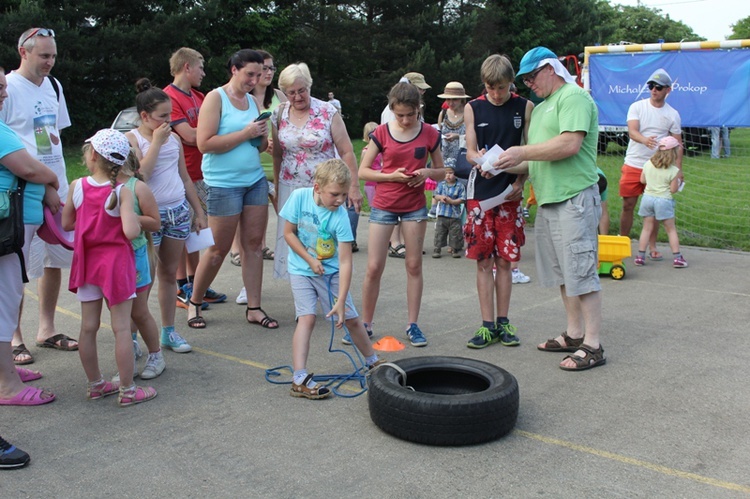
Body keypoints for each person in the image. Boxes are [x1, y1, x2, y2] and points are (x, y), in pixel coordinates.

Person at [496, 46, 605, 371]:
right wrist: (505, 168)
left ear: (550, 68)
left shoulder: (573, 97)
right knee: (562, 273)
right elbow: (536, 156)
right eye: (525, 79)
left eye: (532, 76)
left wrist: (521, 152)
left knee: (582, 272)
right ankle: (574, 334)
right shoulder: (543, 108)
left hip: (574, 197)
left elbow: (569, 144)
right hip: (549, 199)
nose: (529, 83)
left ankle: (593, 344)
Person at [61, 128, 157, 406]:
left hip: (87, 262)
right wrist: (134, 220)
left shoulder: (76, 186)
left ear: (92, 155)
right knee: (121, 329)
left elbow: (67, 223)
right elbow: (129, 232)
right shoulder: (122, 192)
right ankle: (127, 390)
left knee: (88, 326)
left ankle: (95, 385)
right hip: (116, 265)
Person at [0, 27, 78, 365]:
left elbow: (54, 135)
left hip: (55, 187)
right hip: (24, 194)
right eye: (44, 55)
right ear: (24, 52)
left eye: (54, 56)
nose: (50, 62)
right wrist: (43, 184)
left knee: (53, 261)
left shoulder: (55, 86)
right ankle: (14, 338)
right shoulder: (7, 89)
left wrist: (57, 184)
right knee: (17, 269)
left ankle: (46, 329)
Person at [279, 159, 383, 399]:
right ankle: (299, 377)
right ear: (317, 188)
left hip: (332, 273)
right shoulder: (299, 198)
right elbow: (288, 233)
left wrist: (341, 299)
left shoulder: (341, 216)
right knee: (306, 318)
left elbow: (346, 261)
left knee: (352, 319)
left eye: (344, 194)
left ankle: (372, 362)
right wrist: (309, 260)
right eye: (334, 194)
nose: (340, 200)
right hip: (302, 269)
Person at [190, 49, 275, 329]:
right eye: (249, 73)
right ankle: (194, 302)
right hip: (223, 184)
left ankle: (254, 307)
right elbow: (204, 143)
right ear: (234, 70)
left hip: (253, 181)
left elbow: (259, 147)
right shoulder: (216, 98)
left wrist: (262, 136)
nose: (253, 79)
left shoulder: (252, 101)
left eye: (258, 74)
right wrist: (246, 133)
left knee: (253, 246)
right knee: (218, 251)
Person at [359, 81, 445, 347]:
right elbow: (363, 172)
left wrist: (428, 173)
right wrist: (390, 176)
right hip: (384, 204)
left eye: (411, 114)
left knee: (413, 265)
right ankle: (365, 324)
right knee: (374, 267)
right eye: (400, 115)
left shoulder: (430, 133)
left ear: (418, 110)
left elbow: (442, 171)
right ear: (392, 110)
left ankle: (413, 325)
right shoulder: (382, 133)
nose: (406, 120)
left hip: (414, 207)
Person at [126, 79, 207, 349]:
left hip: (177, 212)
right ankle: (134, 336)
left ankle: (168, 331)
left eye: (170, 115)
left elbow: (184, 178)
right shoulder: (133, 139)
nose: (168, 121)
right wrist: (157, 143)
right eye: (162, 116)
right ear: (145, 116)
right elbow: (142, 175)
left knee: (169, 275)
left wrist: (198, 211)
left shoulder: (174, 138)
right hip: (151, 217)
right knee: (144, 279)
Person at [462, 54, 532, 349]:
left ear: (510, 83)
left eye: (501, 88)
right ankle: (486, 325)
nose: (496, 94)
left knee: (505, 261)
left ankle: (504, 323)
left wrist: (519, 183)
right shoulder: (473, 107)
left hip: (510, 194)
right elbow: (469, 150)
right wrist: (480, 160)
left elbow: (529, 152)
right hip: (480, 195)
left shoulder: (525, 106)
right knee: (483, 261)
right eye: (490, 88)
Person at [271, 62, 362, 280]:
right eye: (291, 92)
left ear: (309, 86)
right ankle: (301, 292)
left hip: (323, 189)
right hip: (290, 187)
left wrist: (354, 187)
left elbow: (347, 150)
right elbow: (277, 154)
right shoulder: (279, 114)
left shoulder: (327, 111)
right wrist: (276, 186)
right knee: (294, 237)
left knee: (322, 237)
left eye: (302, 90)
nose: (297, 97)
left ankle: (327, 284)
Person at [0, 65, 58, 407]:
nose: (4, 93)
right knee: (5, 302)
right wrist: (50, 181)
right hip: (6, 232)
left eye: (4, 86)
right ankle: (7, 386)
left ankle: (6, 370)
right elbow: (28, 167)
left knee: (8, 297)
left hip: (11, 231)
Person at [164, 47, 227, 310]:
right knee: (181, 231)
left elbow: (206, 132)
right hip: (183, 173)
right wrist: (208, 134)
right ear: (186, 67)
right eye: (200, 66)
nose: (203, 72)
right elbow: (189, 136)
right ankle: (180, 286)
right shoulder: (169, 96)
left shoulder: (201, 96)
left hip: (203, 172)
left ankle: (194, 280)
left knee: (197, 230)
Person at [234, 50, 288, 305]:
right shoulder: (242, 97)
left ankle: (302, 278)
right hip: (252, 170)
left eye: (271, 68)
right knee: (253, 237)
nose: (267, 73)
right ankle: (248, 288)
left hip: (277, 169)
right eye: (263, 68)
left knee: (289, 224)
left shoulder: (280, 97)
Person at [619, 68, 682, 262]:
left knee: (654, 210)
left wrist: (679, 171)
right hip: (634, 163)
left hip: (658, 168)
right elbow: (632, 131)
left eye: (658, 87)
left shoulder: (672, 114)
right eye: (651, 86)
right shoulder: (637, 106)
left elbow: (678, 144)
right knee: (628, 204)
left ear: (668, 90)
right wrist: (645, 140)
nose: (654, 90)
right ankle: (623, 241)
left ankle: (652, 246)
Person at [117, 151, 166, 379]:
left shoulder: (137, 187)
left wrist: (129, 217)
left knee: (139, 312)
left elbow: (154, 222)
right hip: (111, 258)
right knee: (119, 314)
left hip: (134, 254)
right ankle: (127, 360)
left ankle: (156, 354)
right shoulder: (98, 186)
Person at [380, 72, 431, 257]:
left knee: (407, 207)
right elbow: (390, 140)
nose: (422, 93)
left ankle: (403, 240)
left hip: (412, 173)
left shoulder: (416, 109)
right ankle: (395, 241)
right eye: (420, 89)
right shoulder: (391, 112)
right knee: (394, 207)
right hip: (395, 170)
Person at [633, 136, 687, 268]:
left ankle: (640, 256)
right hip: (664, 200)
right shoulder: (674, 171)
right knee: (670, 229)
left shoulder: (648, 163)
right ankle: (677, 258)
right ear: (674, 152)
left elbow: (642, 181)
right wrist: (679, 183)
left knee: (646, 228)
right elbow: (673, 190)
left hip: (647, 198)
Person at [431, 164, 465, 259]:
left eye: (450, 173)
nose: (448, 175)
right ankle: (437, 248)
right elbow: (435, 195)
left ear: (456, 174)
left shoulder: (460, 186)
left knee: (455, 233)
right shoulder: (441, 185)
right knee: (440, 232)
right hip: (442, 214)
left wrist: (453, 201)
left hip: (454, 215)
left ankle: (455, 249)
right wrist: (440, 197)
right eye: (446, 173)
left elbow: (462, 199)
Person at [361, 121, 382, 209]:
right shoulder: (367, 151)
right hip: (373, 182)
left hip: (376, 181)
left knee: (378, 206)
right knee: (376, 206)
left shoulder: (380, 150)